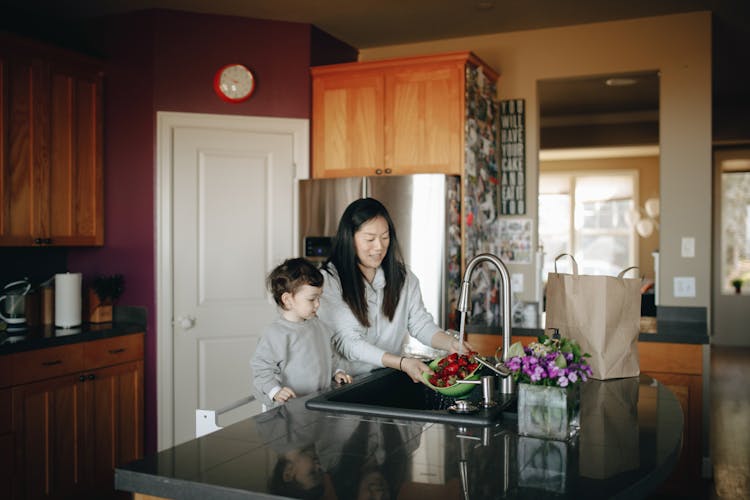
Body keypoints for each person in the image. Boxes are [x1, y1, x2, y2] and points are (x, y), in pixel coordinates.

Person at [317, 197, 472, 381]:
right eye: (370, 239)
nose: (379, 247)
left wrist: (451, 344)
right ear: (349, 238)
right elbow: (349, 344)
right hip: (346, 383)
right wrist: (402, 363)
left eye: (385, 237)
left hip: (384, 377)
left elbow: (420, 324)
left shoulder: (403, 277)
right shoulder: (329, 281)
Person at [252, 258, 352, 409]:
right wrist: (275, 391)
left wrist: (337, 372)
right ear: (287, 300)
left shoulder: (319, 326)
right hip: (288, 409)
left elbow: (330, 356)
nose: (318, 304)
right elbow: (261, 369)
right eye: (312, 299)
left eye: (319, 297)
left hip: (318, 404)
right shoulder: (275, 333)